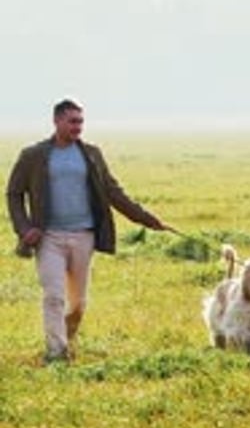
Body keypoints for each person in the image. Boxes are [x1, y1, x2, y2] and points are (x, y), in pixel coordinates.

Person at [6, 98, 171, 363]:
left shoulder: (92, 154)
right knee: (54, 296)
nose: (78, 127)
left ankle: (67, 336)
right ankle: (57, 353)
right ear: (56, 121)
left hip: (84, 236)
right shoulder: (33, 156)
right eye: (72, 121)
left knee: (78, 303)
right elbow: (14, 193)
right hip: (49, 238)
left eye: (81, 121)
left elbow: (112, 192)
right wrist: (24, 228)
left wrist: (147, 219)